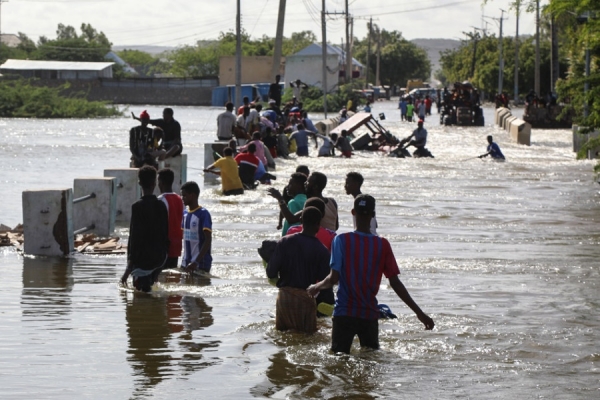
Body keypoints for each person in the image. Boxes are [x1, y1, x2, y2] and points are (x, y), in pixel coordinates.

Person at [307, 194, 435, 354]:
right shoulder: (382, 245)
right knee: (370, 363)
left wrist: (316, 286)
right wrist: (420, 314)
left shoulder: (341, 240)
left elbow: (333, 278)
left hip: (344, 313)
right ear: (373, 215)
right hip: (369, 315)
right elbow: (395, 283)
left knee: (338, 363)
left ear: (353, 212)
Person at [266, 207, 331, 334]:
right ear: (319, 224)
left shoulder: (284, 242)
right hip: (306, 302)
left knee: (281, 339)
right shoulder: (322, 251)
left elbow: (270, 272)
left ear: (301, 220)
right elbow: (325, 286)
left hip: (284, 300)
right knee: (306, 341)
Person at [121, 166, 169, 292]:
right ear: (155, 184)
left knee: (140, 298)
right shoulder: (162, 205)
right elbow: (165, 234)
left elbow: (135, 238)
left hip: (142, 262)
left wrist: (128, 268)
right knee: (152, 295)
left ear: (139, 183)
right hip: (159, 260)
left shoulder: (137, 207)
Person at [181, 181, 212, 273]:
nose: (182, 198)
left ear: (192, 195)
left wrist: (196, 262)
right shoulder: (185, 214)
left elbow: (208, 240)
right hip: (186, 263)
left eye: (184, 195)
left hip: (200, 264)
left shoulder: (203, 214)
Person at [157, 168, 184, 269]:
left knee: (161, 276)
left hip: (165, 247)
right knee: (172, 275)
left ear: (161, 182)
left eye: (158, 181)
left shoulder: (161, 200)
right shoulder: (180, 199)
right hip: (177, 245)